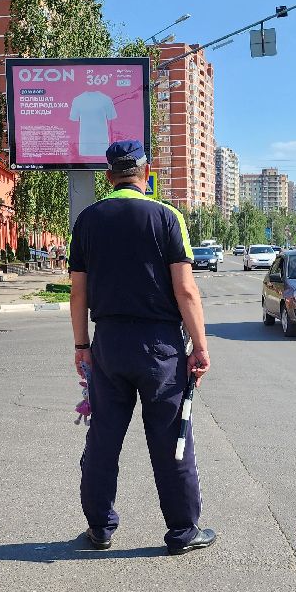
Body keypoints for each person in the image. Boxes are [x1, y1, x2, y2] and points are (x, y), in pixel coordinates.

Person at [68, 140, 216, 556]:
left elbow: (78, 294)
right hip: (160, 347)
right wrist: (200, 346)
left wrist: (82, 344)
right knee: (172, 438)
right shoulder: (167, 217)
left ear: (109, 175)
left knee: (103, 440)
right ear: (145, 173)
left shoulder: (87, 220)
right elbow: (185, 289)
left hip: (109, 344)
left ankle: (99, 527)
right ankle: (183, 532)